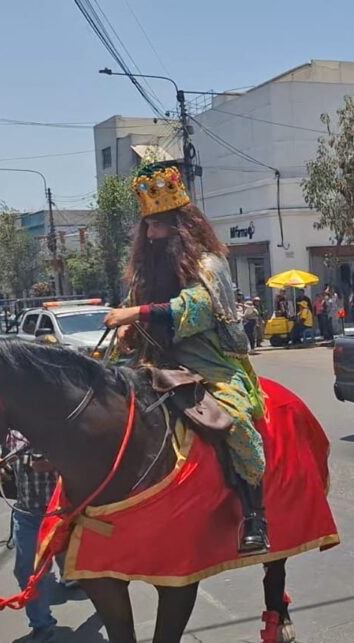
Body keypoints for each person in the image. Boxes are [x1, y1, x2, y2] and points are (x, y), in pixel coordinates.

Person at [103, 161, 268, 553]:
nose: (152, 233)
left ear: (181, 226)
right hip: (152, 361)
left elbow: (196, 309)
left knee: (236, 420)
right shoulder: (145, 270)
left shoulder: (208, 265)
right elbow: (135, 304)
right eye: (148, 226)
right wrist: (129, 331)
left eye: (159, 225)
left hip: (206, 362)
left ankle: (254, 517)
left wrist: (136, 314)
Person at [0, 430, 59, 643]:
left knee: (87, 571)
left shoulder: (53, 425)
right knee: (26, 571)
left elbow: (76, 455)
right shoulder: (12, 431)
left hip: (60, 512)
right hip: (26, 512)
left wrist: (50, 461)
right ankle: (42, 626)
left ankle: (108, 613)